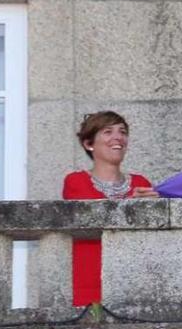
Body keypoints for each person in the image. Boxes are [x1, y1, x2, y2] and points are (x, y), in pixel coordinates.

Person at [62, 111, 157, 306]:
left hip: (133, 278)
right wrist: (130, 204)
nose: (118, 137)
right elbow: (90, 218)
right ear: (89, 144)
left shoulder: (141, 182)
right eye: (108, 132)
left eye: (122, 131)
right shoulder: (75, 181)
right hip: (88, 278)